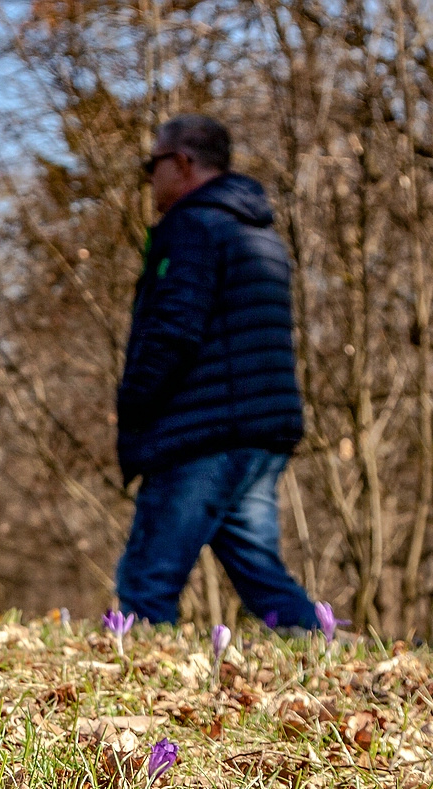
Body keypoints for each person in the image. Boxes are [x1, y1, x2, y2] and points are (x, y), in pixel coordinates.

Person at [114, 114, 317, 628]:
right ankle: (321, 655)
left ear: (182, 163)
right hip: (256, 433)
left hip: (202, 434)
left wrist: (134, 402)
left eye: (152, 164)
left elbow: (173, 331)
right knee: (261, 576)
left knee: (147, 580)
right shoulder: (257, 230)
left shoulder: (193, 227)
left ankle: (134, 693)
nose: (149, 177)